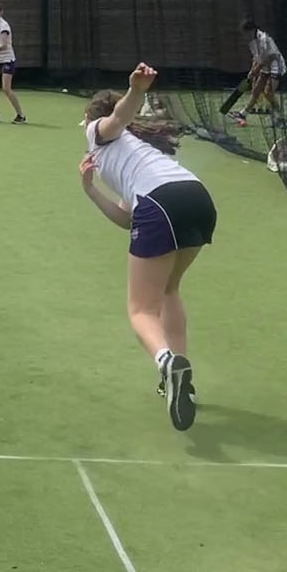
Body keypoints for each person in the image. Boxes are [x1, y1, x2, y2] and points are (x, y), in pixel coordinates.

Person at [79, 63, 217, 432]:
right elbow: (128, 219)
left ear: (90, 118)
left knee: (140, 310)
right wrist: (91, 190)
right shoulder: (140, 153)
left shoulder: (100, 132)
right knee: (169, 288)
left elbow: (115, 119)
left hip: (161, 204)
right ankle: (179, 382)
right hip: (197, 199)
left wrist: (135, 91)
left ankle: (166, 361)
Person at [233, 19, 286, 125]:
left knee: (268, 93)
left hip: (276, 66)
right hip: (265, 67)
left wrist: (256, 70)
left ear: (251, 30)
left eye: (246, 33)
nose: (245, 36)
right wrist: (252, 70)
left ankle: (280, 117)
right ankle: (243, 114)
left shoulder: (264, 39)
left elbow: (269, 57)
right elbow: (256, 58)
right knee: (256, 91)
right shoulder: (252, 42)